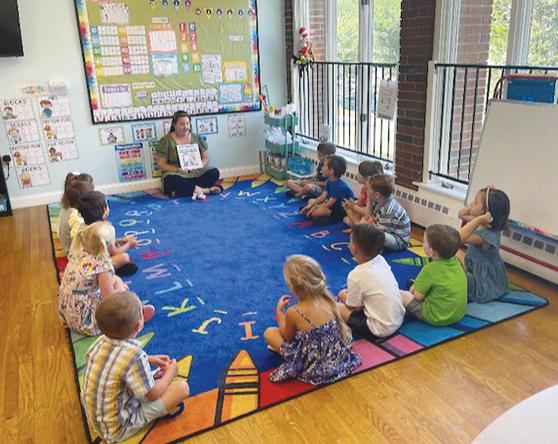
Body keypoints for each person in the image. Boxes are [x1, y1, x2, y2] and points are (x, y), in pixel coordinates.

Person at [81, 292, 188, 442]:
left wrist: (149, 359)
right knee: (181, 388)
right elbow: (153, 395)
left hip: (96, 416)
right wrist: (171, 372)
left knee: (153, 379)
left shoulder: (99, 342)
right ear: (138, 325)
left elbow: (116, 363)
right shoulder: (134, 356)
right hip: (117, 429)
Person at [264, 255, 361, 385]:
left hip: (315, 366)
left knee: (269, 332)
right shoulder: (329, 300)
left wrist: (279, 312)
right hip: (338, 359)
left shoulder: (294, 311)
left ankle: (292, 357)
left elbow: (287, 336)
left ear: (292, 287)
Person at [57, 222, 154, 336]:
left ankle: (127, 304)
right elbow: (110, 301)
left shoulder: (79, 252)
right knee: (120, 290)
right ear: (109, 246)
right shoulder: (103, 267)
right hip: (85, 322)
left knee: (116, 279)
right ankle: (131, 320)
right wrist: (121, 290)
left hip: (66, 311)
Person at [337, 224, 405, 338]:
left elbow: (355, 307)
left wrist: (342, 295)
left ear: (354, 248)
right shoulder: (381, 259)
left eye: (350, 242)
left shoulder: (355, 275)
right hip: (399, 318)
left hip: (379, 329)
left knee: (334, 306)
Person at [400, 224, 467, 326]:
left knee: (402, 294)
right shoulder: (457, 262)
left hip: (437, 316)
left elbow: (417, 297)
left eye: (424, 241)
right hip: (458, 314)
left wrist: (413, 289)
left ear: (432, 251)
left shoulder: (430, 269)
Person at [458, 187, 510, 303]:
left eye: (475, 203)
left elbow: (458, 238)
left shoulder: (487, 235)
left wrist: (477, 220)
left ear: (486, 212)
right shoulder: (485, 223)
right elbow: (461, 214)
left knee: (450, 262)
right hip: (475, 269)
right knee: (455, 257)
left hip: (482, 281)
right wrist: (472, 210)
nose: (472, 204)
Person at [155, 111, 221, 199]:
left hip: (195, 172)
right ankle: (205, 190)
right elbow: (161, 164)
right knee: (170, 179)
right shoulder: (166, 141)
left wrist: (198, 165)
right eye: (181, 124)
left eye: (187, 124)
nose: (185, 127)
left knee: (214, 172)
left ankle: (184, 191)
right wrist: (178, 170)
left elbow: (205, 158)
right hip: (177, 174)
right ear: (174, 125)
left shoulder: (196, 137)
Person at [75, 191, 139, 276]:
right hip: (90, 266)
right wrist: (129, 244)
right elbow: (115, 252)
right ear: (104, 210)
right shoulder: (103, 229)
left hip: (79, 262)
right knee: (125, 257)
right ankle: (109, 272)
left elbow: (101, 241)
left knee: (116, 247)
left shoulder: (83, 226)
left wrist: (122, 240)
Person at [300, 155, 354, 225]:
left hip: (340, 210)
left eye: (324, 166)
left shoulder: (341, 187)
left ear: (331, 171)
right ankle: (315, 214)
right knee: (311, 201)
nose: (322, 168)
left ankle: (329, 218)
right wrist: (311, 205)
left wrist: (314, 207)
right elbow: (322, 197)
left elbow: (328, 205)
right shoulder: (329, 181)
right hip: (331, 205)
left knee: (319, 211)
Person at [363, 174, 410, 251]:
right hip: (385, 230)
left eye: (368, 190)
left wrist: (372, 225)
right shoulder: (380, 201)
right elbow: (368, 216)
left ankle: (376, 251)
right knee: (365, 226)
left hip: (398, 241)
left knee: (369, 230)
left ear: (377, 195)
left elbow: (380, 233)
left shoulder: (389, 210)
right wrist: (369, 200)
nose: (366, 191)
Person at [58, 173, 94, 252]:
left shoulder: (66, 207)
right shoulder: (77, 218)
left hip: (68, 244)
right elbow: (77, 244)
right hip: (73, 250)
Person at [343, 160, 384, 226]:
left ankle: (358, 225)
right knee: (347, 211)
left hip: (372, 216)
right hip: (364, 213)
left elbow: (368, 212)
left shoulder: (373, 192)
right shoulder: (364, 188)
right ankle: (357, 224)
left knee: (357, 218)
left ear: (368, 178)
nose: (357, 175)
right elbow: (360, 203)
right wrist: (351, 204)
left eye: (359, 173)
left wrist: (353, 207)